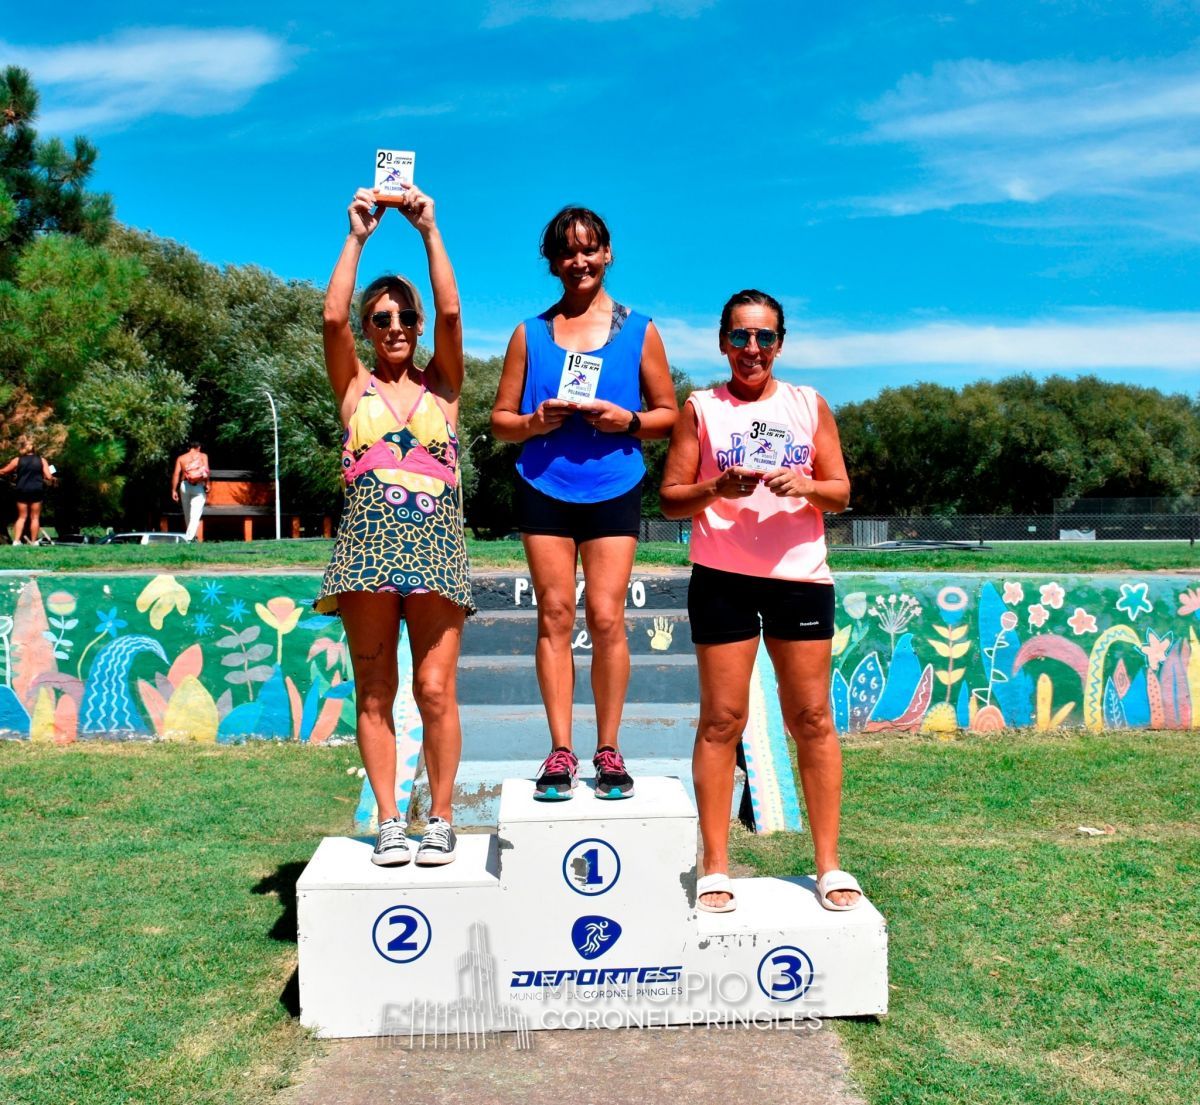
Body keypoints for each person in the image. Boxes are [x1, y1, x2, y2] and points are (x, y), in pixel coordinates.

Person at [660, 289, 862, 913]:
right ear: (723, 342)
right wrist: (715, 487)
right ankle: (716, 865)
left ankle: (828, 864)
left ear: (780, 342)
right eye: (741, 337)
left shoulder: (809, 405)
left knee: (813, 720)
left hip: (799, 579)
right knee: (722, 721)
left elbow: (840, 493)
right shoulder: (700, 408)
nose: (753, 349)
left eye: (765, 337)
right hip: (722, 577)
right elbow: (670, 498)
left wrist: (805, 483)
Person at [491, 206, 678, 801]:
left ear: (608, 254)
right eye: (567, 252)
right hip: (543, 485)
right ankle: (560, 752)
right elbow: (499, 423)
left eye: (589, 249)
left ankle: (609, 748)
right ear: (551, 262)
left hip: (614, 486)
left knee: (605, 617)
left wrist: (628, 420)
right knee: (554, 616)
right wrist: (533, 421)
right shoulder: (529, 333)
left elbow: (668, 415)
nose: (579, 261)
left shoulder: (641, 330)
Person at [315, 183, 473, 868]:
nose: (398, 326)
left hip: (437, 551)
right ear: (370, 327)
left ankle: (439, 816)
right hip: (365, 555)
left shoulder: (444, 387)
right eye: (382, 318)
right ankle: (388, 820)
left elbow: (453, 309)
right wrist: (358, 235)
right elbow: (329, 322)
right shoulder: (356, 389)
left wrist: (428, 229)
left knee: (435, 689)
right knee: (373, 689)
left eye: (405, 315)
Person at [1, 436, 55, 544]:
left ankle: (16, 541)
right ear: (34, 449)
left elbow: (3, 471)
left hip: (22, 490)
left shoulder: (17, 460)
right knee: (35, 517)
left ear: (23, 449)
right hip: (36, 490)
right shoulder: (41, 460)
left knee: (22, 517)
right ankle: (34, 541)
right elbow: (49, 477)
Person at [171, 442, 211, 541]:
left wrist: (173, 490)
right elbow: (206, 471)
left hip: (184, 486)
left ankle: (192, 537)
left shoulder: (181, 458)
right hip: (198, 486)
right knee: (195, 513)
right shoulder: (203, 456)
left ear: (189, 448)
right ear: (199, 447)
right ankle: (189, 538)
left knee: (187, 513)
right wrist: (207, 484)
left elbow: (176, 474)